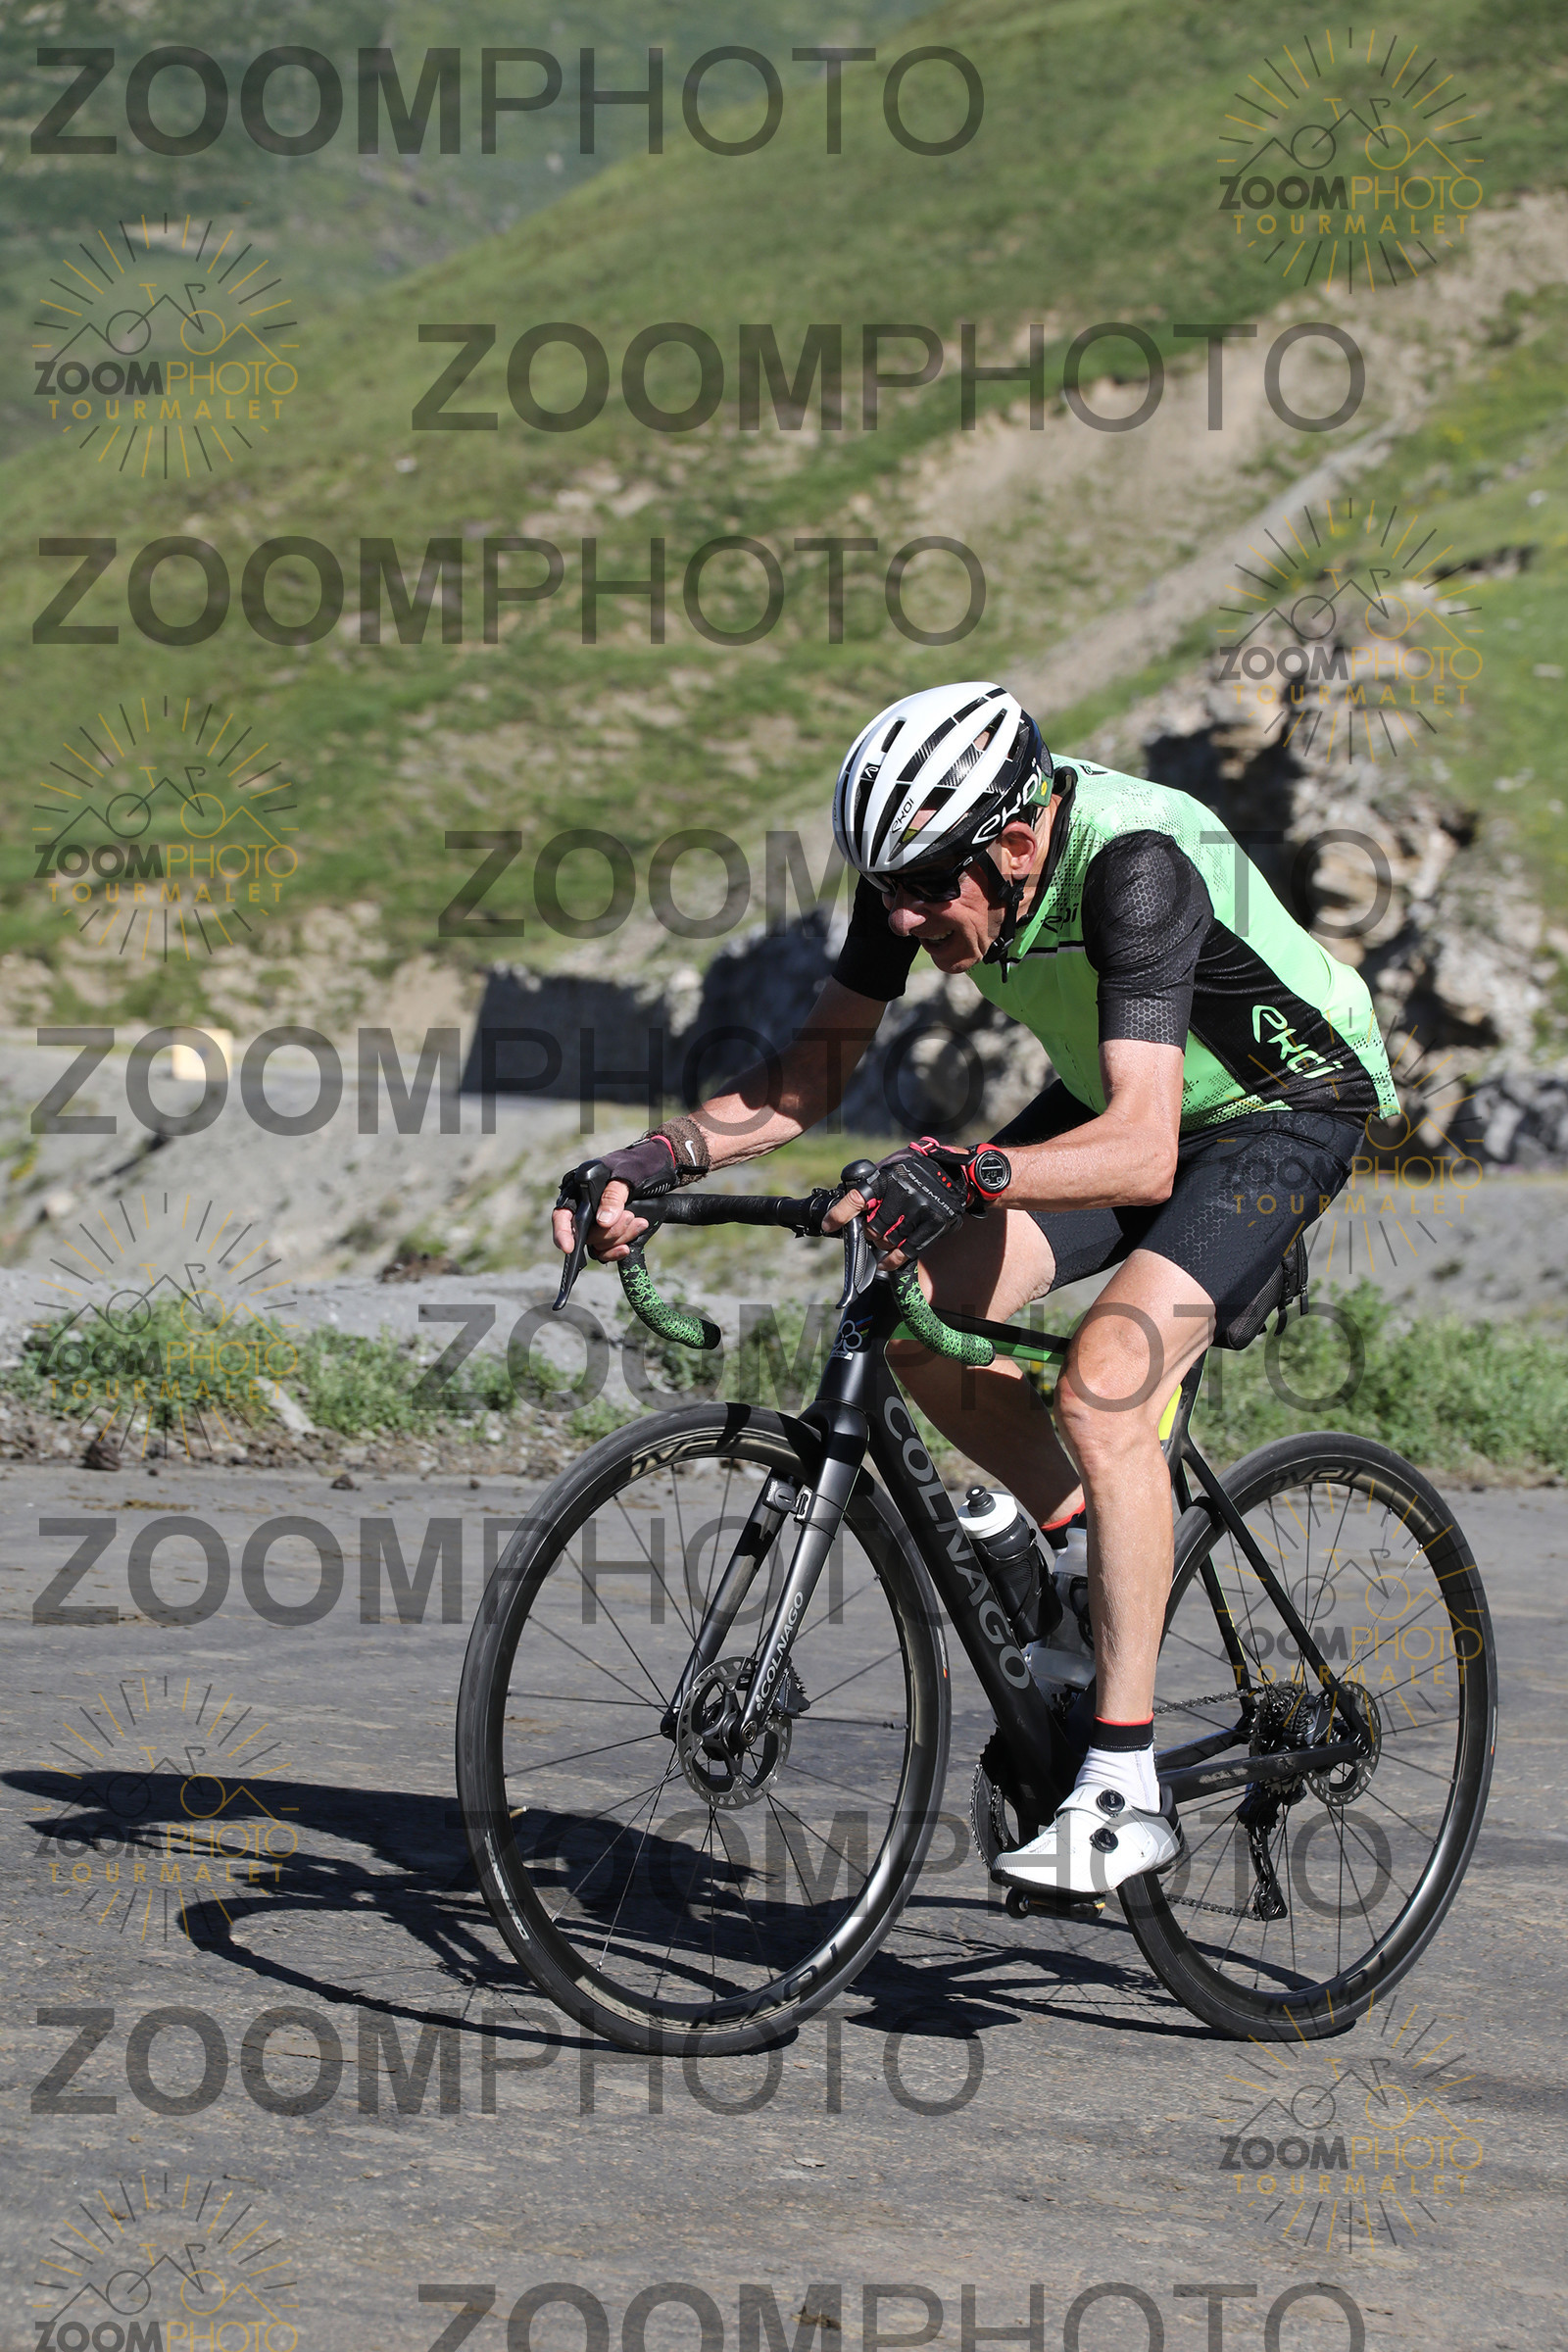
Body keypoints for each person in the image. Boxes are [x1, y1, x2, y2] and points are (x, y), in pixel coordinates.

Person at [551, 680, 1396, 1894]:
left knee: (1107, 1381)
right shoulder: (921, 867)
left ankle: (1123, 1785)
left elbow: (1143, 1154)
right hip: (1124, 1098)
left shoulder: (1135, 869)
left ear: (1015, 847)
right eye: (883, 890)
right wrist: (656, 1157)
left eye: (924, 890)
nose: (901, 917)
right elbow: (811, 1070)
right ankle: (1076, 1545)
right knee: (910, 1314)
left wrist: (968, 1169)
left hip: (1278, 1111)